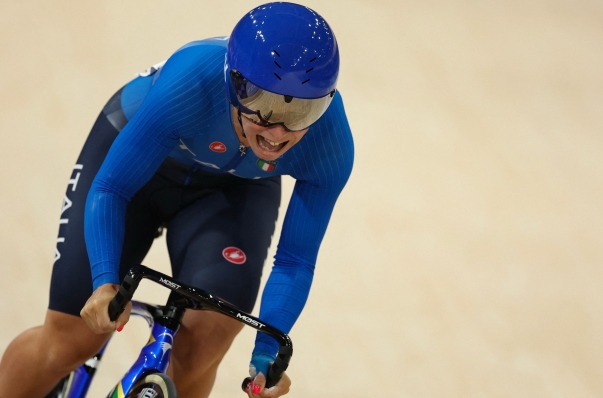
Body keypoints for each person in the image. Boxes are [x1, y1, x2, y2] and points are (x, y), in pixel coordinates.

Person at [0, 2, 353, 397]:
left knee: (204, 345)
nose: (278, 132)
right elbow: (111, 188)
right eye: (264, 109)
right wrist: (104, 282)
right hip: (142, 163)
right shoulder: (191, 80)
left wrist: (267, 351)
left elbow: (295, 260)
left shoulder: (330, 144)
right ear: (235, 85)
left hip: (236, 187)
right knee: (71, 340)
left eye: (304, 111)